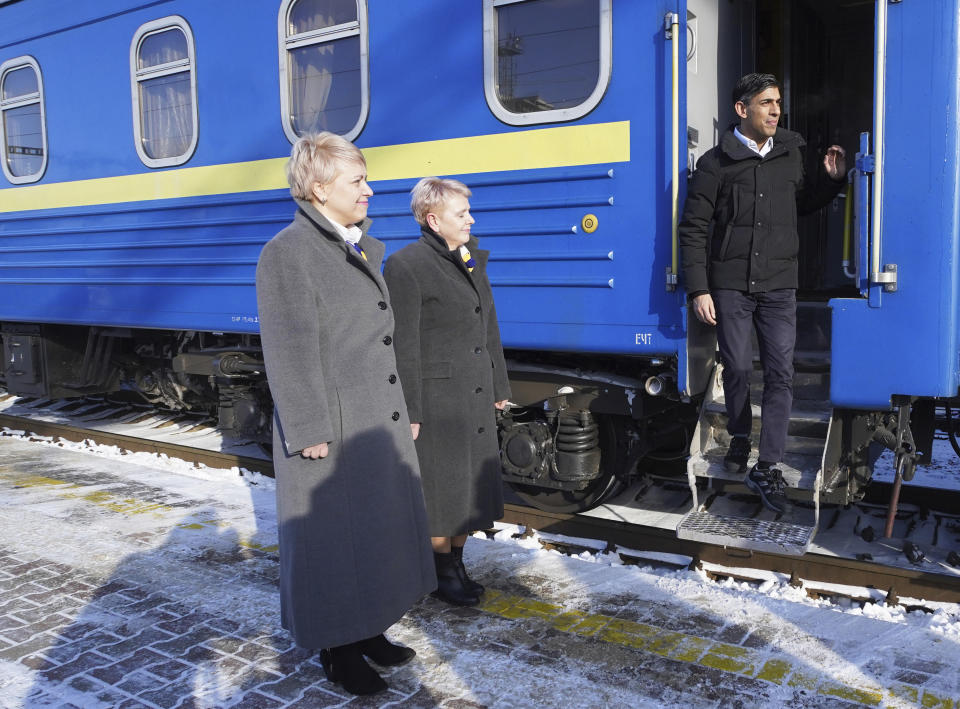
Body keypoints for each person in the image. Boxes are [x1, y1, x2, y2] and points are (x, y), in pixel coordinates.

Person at [255, 132, 436, 696]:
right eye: (358, 181)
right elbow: (287, 346)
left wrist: (401, 407)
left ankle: (369, 628)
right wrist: (307, 426)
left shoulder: (354, 243)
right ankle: (337, 648)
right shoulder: (288, 253)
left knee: (377, 532)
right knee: (334, 541)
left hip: (371, 416)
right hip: (331, 422)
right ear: (318, 188)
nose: (370, 190)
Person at [678, 73, 846, 514]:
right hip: (730, 283)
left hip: (778, 284)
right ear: (742, 109)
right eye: (766, 103)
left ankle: (768, 462)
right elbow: (693, 228)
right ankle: (737, 433)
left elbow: (803, 204)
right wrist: (699, 288)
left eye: (778, 103)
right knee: (735, 367)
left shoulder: (791, 153)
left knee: (780, 372)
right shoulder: (716, 163)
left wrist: (830, 181)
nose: (775, 110)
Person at [384, 177, 511, 606]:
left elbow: (488, 326)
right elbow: (403, 344)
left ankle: (457, 563)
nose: (471, 219)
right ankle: (441, 572)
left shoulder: (471, 258)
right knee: (441, 493)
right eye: (462, 214)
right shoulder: (406, 265)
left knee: (468, 493)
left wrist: (498, 384)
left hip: (472, 393)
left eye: (469, 212)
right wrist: (411, 410)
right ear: (434, 219)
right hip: (437, 400)